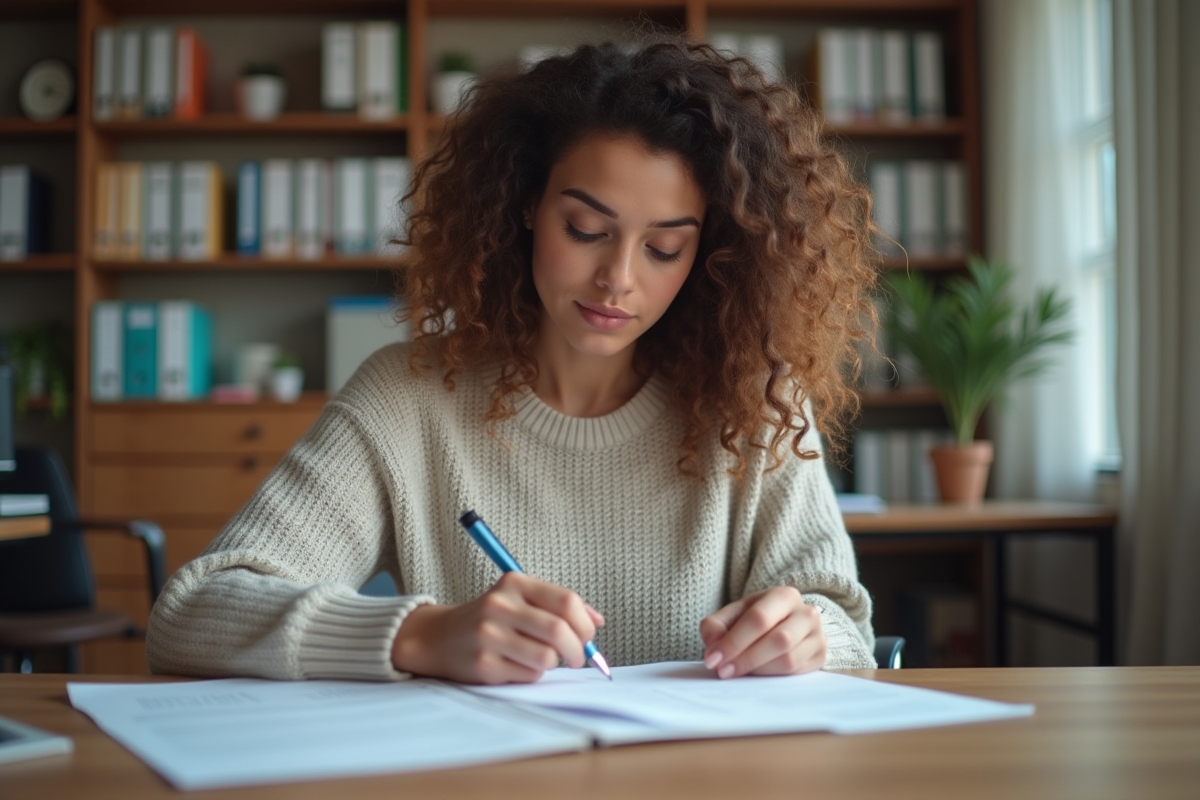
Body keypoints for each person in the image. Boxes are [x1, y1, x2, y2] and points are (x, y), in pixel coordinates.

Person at [146, 38, 880, 684]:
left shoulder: (754, 401)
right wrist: (419, 634)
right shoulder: (409, 397)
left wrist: (808, 634)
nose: (618, 278)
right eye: (586, 227)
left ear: (709, 252)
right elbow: (192, 614)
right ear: (527, 204)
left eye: (664, 247)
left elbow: (847, 626)